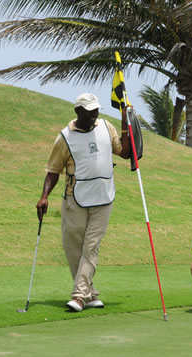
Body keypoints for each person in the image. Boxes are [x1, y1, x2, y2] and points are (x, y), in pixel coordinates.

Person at [36, 93, 131, 312]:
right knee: (72, 246)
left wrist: (126, 121)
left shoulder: (107, 127)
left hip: (103, 197)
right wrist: (44, 196)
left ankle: (79, 296)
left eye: (96, 110)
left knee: (91, 246)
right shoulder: (64, 137)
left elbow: (124, 152)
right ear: (78, 112)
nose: (94, 115)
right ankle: (91, 293)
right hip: (75, 198)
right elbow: (53, 171)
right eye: (89, 112)